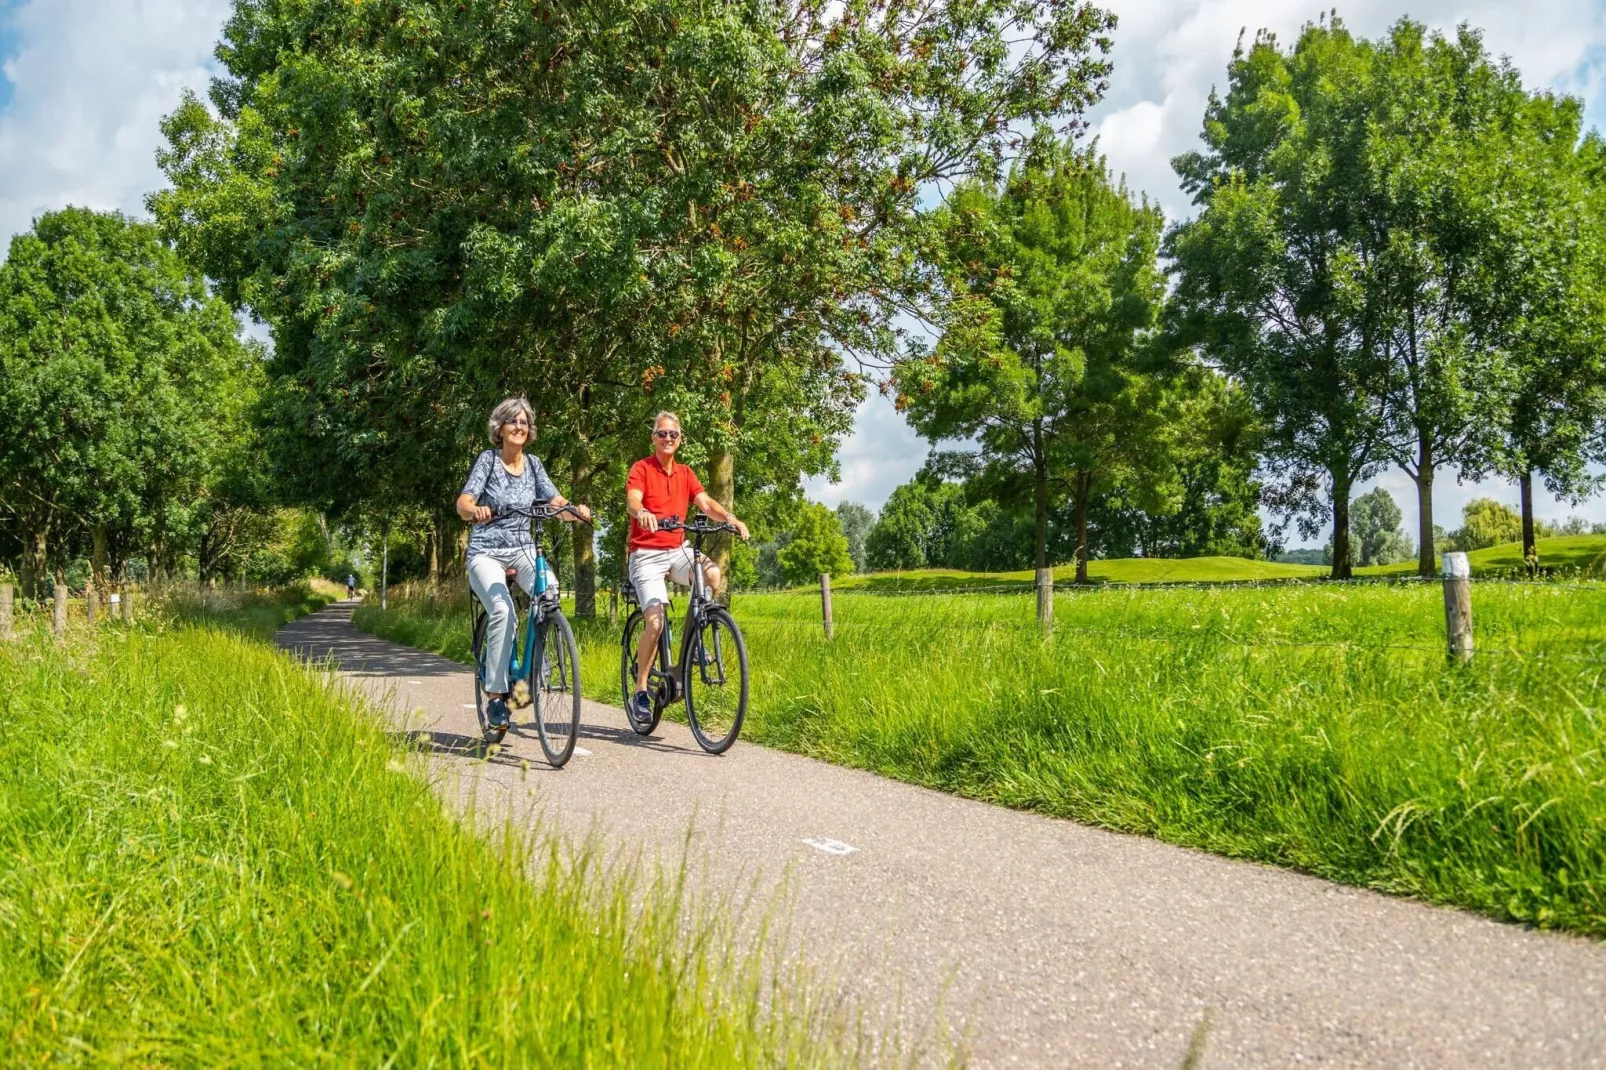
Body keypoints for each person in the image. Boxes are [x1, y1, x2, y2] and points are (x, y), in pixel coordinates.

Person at [455, 396, 591, 731]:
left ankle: (534, 671)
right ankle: (497, 696)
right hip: (486, 552)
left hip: (523, 548)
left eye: (524, 422)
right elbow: (463, 502)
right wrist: (475, 511)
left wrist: (572, 509)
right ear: (499, 429)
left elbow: (553, 498)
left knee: (550, 592)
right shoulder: (487, 461)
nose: (519, 426)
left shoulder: (533, 465)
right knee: (502, 610)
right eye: (512, 421)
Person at [626, 411, 749, 728]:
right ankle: (640, 690)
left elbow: (706, 504)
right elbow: (633, 501)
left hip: (677, 549)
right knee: (655, 622)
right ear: (653, 437)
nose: (668, 439)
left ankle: (694, 643)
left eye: (674, 435)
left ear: (680, 440)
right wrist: (643, 514)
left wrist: (731, 519)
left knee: (712, 574)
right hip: (646, 553)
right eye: (662, 433)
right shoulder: (641, 469)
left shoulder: (685, 473)